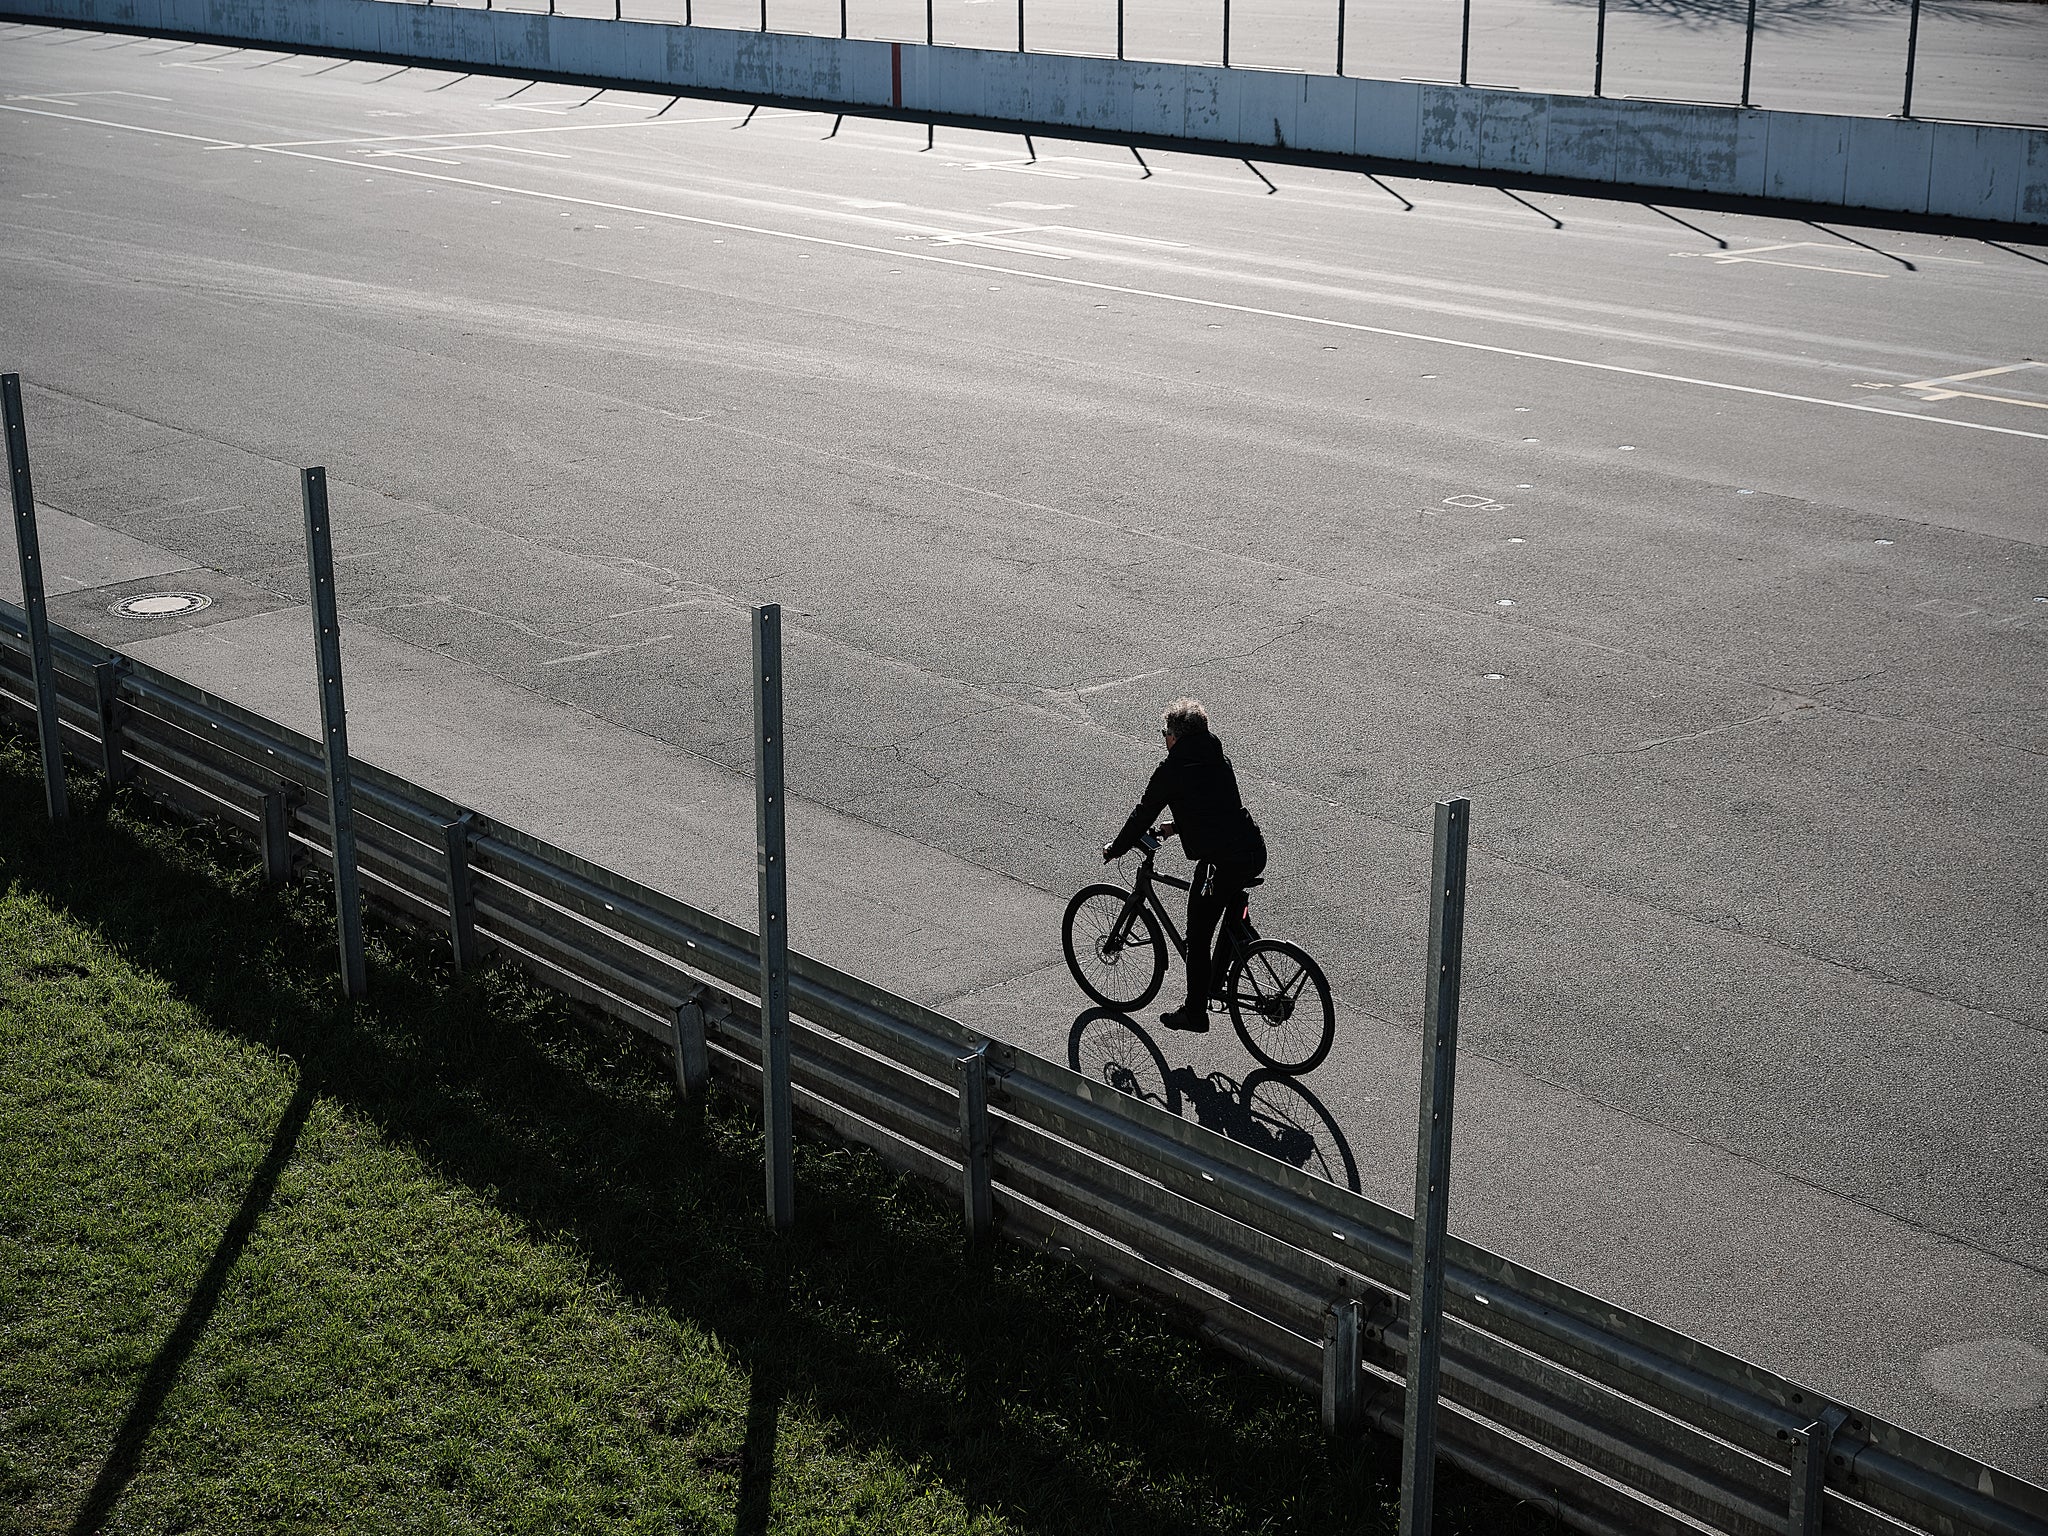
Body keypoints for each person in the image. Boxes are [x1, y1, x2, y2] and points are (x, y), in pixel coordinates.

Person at [1102, 698, 1267, 1032]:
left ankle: (1195, 1013)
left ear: (1175, 736)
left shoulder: (1171, 770)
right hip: (1251, 849)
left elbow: (1142, 813)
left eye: (1164, 734)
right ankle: (1232, 957)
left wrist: (1116, 848)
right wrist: (1174, 828)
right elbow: (1215, 808)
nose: (1163, 740)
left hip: (1220, 862)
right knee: (1226, 911)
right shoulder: (1219, 758)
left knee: (1197, 937)